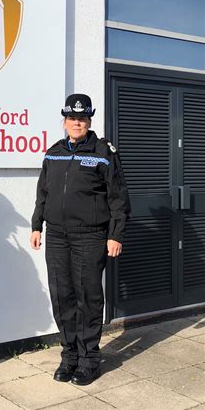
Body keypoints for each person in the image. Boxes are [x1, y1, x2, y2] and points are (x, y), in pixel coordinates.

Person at [30, 94, 130, 386]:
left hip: (90, 235)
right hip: (57, 236)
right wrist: (37, 225)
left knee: (88, 297)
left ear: (89, 121)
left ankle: (89, 360)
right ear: (64, 121)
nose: (77, 123)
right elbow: (43, 193)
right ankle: (69, 356)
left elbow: (118, 197)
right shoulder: (54, 152)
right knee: (62, 296)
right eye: (72, 118)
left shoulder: (103, 151)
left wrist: (115, 234)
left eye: (82, 118)